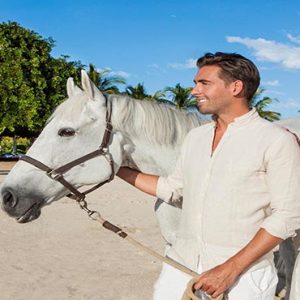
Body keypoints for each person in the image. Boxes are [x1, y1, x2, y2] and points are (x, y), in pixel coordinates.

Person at [117, 52, 300, 300]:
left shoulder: (276, 140)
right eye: (195, 83)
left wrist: (229, 269)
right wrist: (117, 169)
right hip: (179, 267)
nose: (194, 91)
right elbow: (173, 188)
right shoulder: (196, 137)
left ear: (236, 87)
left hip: (244, 278)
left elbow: (287, 216)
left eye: (204, 83)